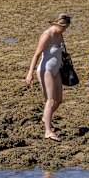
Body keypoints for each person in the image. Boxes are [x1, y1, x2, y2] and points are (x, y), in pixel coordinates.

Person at [25, 13, 71, 141]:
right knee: (50, 101)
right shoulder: (47, 35)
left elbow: (61, 51)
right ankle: (48, 131)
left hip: (56, 70)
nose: (65, 30)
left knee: (59, 100)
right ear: (58, 23)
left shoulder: (60, 34)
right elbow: (37, 54)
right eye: (64, 28)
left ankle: (46, 118)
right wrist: (30, 73)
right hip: (46, 70)